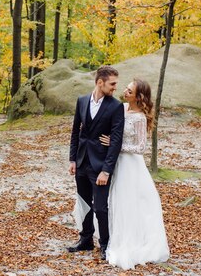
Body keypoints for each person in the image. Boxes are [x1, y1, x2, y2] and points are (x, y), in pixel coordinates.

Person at [99, 79, 170, 269]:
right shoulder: (120, 108)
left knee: (130, 202)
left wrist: (115, 145)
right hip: (116, 162)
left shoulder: (139, 117)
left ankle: (134, 241)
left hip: (130, 164)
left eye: (129, 91)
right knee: (116, 200)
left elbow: (140, 147)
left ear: (139, 97)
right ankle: (115, 236)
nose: (125, 92)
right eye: (126, 88)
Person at [68, 65, 125, 260]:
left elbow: (116, 141)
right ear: (100, 82)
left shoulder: (116, 106)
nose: (115, 87)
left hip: (100, 165)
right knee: (84, 203)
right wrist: (72, 159)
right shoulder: (82, 101)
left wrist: (106, 170)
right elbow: (76, 131)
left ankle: (105, 245)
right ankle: (85, 240)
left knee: (100, 207)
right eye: (112, 83)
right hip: (82, 161)